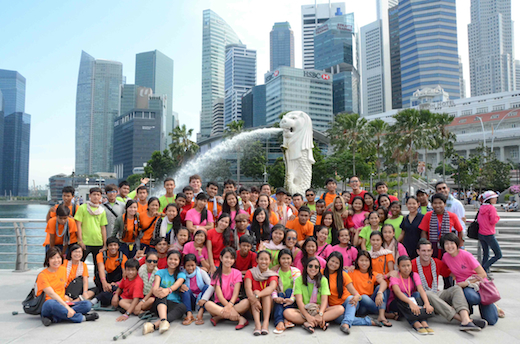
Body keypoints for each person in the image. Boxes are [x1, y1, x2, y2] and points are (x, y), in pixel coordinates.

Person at [412, 239, 485, 331]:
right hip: (421, 298)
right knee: (428, 293)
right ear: (418, 251)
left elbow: (454, 273)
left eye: (428, 250)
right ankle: (463, 320)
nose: (426, 253)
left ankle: (465, 318)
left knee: (456, 288)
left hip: (435, 293)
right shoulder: (412, 264)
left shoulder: (437, 263)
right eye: (423, 251)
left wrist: (468, 279)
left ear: (432, 251)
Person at [441, 233, 500, 324]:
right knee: (472, 297)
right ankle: (470, 308)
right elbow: (448, 270)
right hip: (464, 288)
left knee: (492, 321)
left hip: (478, 284)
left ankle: (489, 303)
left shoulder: (466, 255)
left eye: (452, 243)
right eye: (446, 244)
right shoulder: (445, 257)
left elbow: (483, 274)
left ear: (457, 243)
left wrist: (467, 283)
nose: (449, 246)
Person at [323, 251, 380, 334]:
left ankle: (346, 324)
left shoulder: (343, 275)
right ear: (328, 260)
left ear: (340, 265)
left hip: (348, 303)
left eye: (337, 263)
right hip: (334, 308)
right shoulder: (321, 273)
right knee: (338, 319)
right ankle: (367, 321)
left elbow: (353, 291)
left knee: (350, 298)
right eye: (332, 261)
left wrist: (357, 296)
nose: (333, 264)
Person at [37, 248, 97, 326]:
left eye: (58, 257)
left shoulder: (63, 270)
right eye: (52, 258)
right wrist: (67, 307)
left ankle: (55, 318)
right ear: (48, 260)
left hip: (63, 302)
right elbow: (51, 294)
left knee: (87, 304)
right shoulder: (42, 275)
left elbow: (64, 286)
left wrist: (67, 299)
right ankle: (81, 318)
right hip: (49, 304)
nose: (56, 260)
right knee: (50, 303)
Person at [283, 257, 344, 333]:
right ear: (306, 267)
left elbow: (324, 300)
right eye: (310, 266)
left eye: (316, 267)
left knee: (340, 309)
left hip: (319, 310)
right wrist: (307, 316)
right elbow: (299, 301)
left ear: (319, 268)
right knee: (287, 312)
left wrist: (320, 314)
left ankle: (309, 323)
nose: (313, 268)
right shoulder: (299, 279)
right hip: (304, 310)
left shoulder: (323, 280)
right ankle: (318, 322)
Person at [204, 247, 250, 329]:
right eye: (226, 257)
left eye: (231, 258)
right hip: (220, 304)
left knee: (246, 302)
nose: (229, 260)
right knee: (208, 304)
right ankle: (240, 318)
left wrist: (230, 305)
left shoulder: (237, 273)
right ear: (221, 258)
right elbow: (219, 296)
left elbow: (236, 293)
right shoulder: (216, 275)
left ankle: (219, 317)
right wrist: (229, 308)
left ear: (234, 260)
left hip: (233, 303)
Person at [142, 250, 187, 335]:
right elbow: (155, 288)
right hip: (159, 303)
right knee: (161, 294)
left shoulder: (181, 274)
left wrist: (167, 290)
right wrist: (160, 291)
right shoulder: (160, 272)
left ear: (179, 261)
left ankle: (153, 326)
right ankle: (163, 321)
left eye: (175, 259)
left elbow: (176, 285)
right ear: (167, 259)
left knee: (182, 307)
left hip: (173, 303)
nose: (173, 261)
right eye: (170, 259)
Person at [387, 256, 434, 335]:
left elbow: (421, 289)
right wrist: (410, 303)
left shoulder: (414, 275)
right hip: (396, 303)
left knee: (417, 294)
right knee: (404, 296)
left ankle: (423, 321)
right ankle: (415, 323)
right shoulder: (395, 276)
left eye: (408, 265)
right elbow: (397, 292)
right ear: (398, 267)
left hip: (411, 302)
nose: (406, 268)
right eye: (403, 266)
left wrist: (427, 303)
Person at [348, 251, 391, 327]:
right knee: (363, 297)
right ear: (357, 261)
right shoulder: (352, 272)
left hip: (371, 302)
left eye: (366, 260)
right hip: (359, 304)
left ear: (370, 262)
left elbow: (384, 283)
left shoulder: (373, 273)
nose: (364, 263)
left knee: (380, 288)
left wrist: (379, 293)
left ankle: (381, 316)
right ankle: (385, 314)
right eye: (361, 260)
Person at [74, 187, 108, 278]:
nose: (96, 197)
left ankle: (98, 286)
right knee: (79, 265)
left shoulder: (102, 211)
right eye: (94, 194)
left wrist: (105, 245)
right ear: (90, 196)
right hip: (85, 242)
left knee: (98, 267)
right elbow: (78, 225)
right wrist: (80, 241)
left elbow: (103, 228)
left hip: (98, 242)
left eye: (98, 195)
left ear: (101, 196)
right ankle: (77, 286)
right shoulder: (82, 208)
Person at [244, 251, 279, 335]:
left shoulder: (272, 274)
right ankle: (257, 325)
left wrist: (256, 296)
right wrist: (255, 299)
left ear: (270, 261)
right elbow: (248, 288)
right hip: (254, 306)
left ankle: (265, 324)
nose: (264, 261)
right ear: (257, 260)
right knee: (255, 291)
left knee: (266, 294)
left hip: (268, 307)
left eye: (266, 259)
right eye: (261, 259)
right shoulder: (250, 272)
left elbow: (271, 288)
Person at [419, 193, 463, 258]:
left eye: (440, 203)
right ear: (431, 204)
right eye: (435, 203)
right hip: (432, 247)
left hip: (448, 247)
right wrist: (424, 245)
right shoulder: (428, 215)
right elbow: (423, 232)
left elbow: (460, 231)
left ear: (445, 204)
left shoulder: (452, 216)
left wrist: (460, 246)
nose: (437, 205)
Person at [90, 237, 127, 307]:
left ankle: (96, 299)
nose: (113, 247)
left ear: (118, 246)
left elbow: (125, 275)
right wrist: (104, 282)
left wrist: (117, 283)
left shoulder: (123, 257)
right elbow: (101, 269)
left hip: (116, 281)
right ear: (107, 247)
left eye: (115, 245)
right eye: (110, 245)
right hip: (103, 279)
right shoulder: (100, 255)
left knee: (106, 300)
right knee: (99, 273)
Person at [272, 249, 301, 334]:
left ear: (291, 259)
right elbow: (272, 287)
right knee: (280, 293)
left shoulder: (296, 271)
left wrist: (292, 299)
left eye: (288, 258)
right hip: (279, 299)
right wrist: (275, 298)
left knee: (289, 290)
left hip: (292, 299)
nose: (286, 261)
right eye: (283, 258)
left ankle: (287, 318)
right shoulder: (275, 272)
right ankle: (280, 321)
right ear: (279, 260)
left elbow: (297, 288)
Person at [180, 254, 213, 325]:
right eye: (188, 266)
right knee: (185, 289)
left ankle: (200, 313)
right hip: (190, 299)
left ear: (196, 265)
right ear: (184, 266)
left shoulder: (201, 272)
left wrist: (204, 299)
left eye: (192, 265)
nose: (190, 268)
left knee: (207, 287)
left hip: (201, 299)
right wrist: (181, 286)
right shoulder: (182, 274)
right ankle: (189, 315)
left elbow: (211, 285)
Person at [477, 191, 502, 273]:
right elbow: (493, 220)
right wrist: (498, 217)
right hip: (489, 234)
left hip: (481, 233)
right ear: (490, 199)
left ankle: (484, 273)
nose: (496, 199)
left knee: (486, 254)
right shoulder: (491, 208)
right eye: (494, 198)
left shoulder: (481, 207)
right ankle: (483, 269)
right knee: (498, 254)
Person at [134, 251, 159, 315]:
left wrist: (142, 302)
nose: (152, 263)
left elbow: (152, 290)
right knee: (122, 302)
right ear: (145, 261)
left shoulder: (158, 273)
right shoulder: (141, 269)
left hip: (149, 296)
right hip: (140, 294)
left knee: (151, 300)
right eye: (149, 261)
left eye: (155, 261)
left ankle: (137, 310)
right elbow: (138, 285)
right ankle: (140, 312)